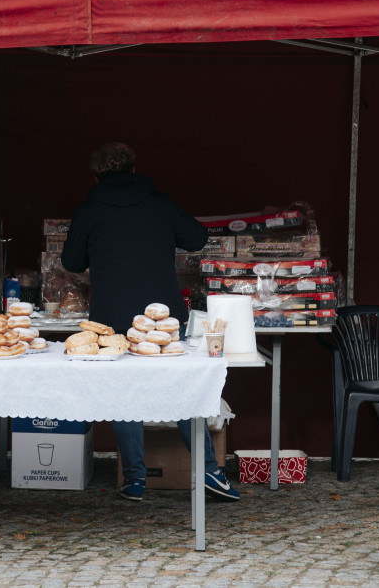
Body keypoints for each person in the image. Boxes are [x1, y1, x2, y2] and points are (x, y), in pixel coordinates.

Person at [60, 142, 239, 503]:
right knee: (185, 391)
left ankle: (135, 480)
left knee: (123, 396)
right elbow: (198, 238)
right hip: (164, 317)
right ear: (134, 171)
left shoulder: (89, 210)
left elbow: (72, 262)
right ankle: (208, 471)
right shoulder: (160, 202)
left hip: (112, 319)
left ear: (96, 177)